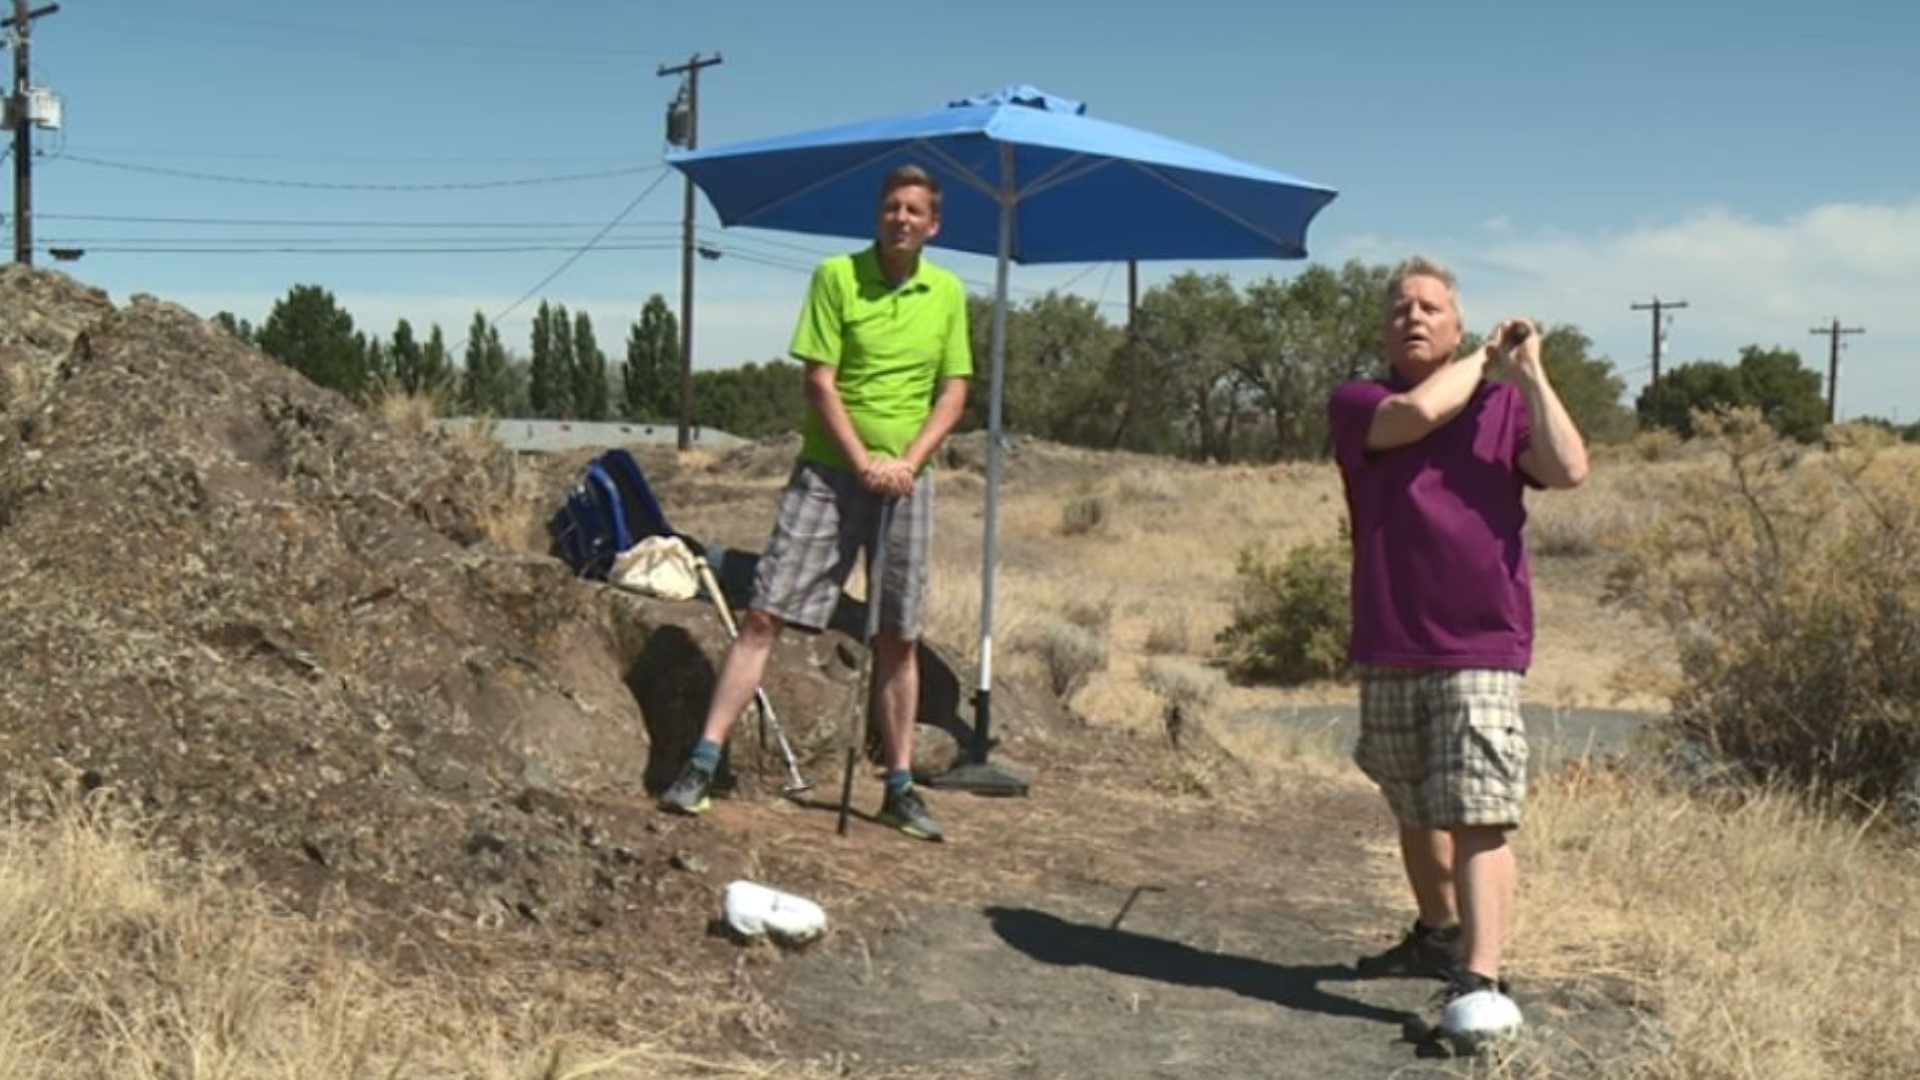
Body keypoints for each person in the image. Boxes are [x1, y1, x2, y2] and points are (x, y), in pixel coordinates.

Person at [659, 164, 972, 842]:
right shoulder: (836, 277)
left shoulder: (947, 292)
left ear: (934, 224)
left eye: (915, 210)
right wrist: (863, 462)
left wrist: (906, 463)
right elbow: (820, 383)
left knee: (899, 636)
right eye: (892, 207)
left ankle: (899, 787)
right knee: (765, 613)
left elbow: (953, 391)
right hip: (831, 476)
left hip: (907, 484)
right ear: (878, 215)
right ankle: (704, 763)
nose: (902, 218)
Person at [1327, 256, 1588, 1044]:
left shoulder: (1504, 406)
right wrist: (1486, 356)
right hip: (1390, 634)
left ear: (1456, 323)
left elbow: (1569, 468)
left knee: (1477, 809)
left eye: (1431, 307)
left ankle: (1480, 976)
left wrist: (1531, 372)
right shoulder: (1361, 401)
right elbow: (1414, 417)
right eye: (1400, 308)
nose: (1413, 317)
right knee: (1414, 800)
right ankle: (1437, 932)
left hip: (1480, 639)